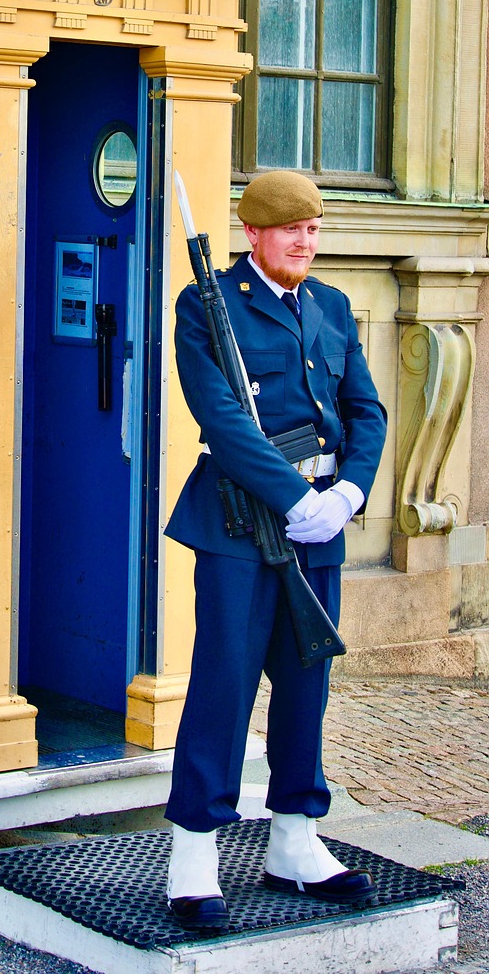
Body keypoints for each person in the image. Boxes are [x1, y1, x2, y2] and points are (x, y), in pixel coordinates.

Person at [163, 169, 387, 931]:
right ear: (253, 233)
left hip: (319, 525)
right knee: (222, 686)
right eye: (290, 228)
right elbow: (222, 421)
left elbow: (364, 408)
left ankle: (293, 840)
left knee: (305, 684)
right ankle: (193, 855)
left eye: (314, 228)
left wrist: (346, 496)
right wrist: (293, 500)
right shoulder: (205, 305)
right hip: (236, 525)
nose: (304, 240)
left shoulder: (329, 306)